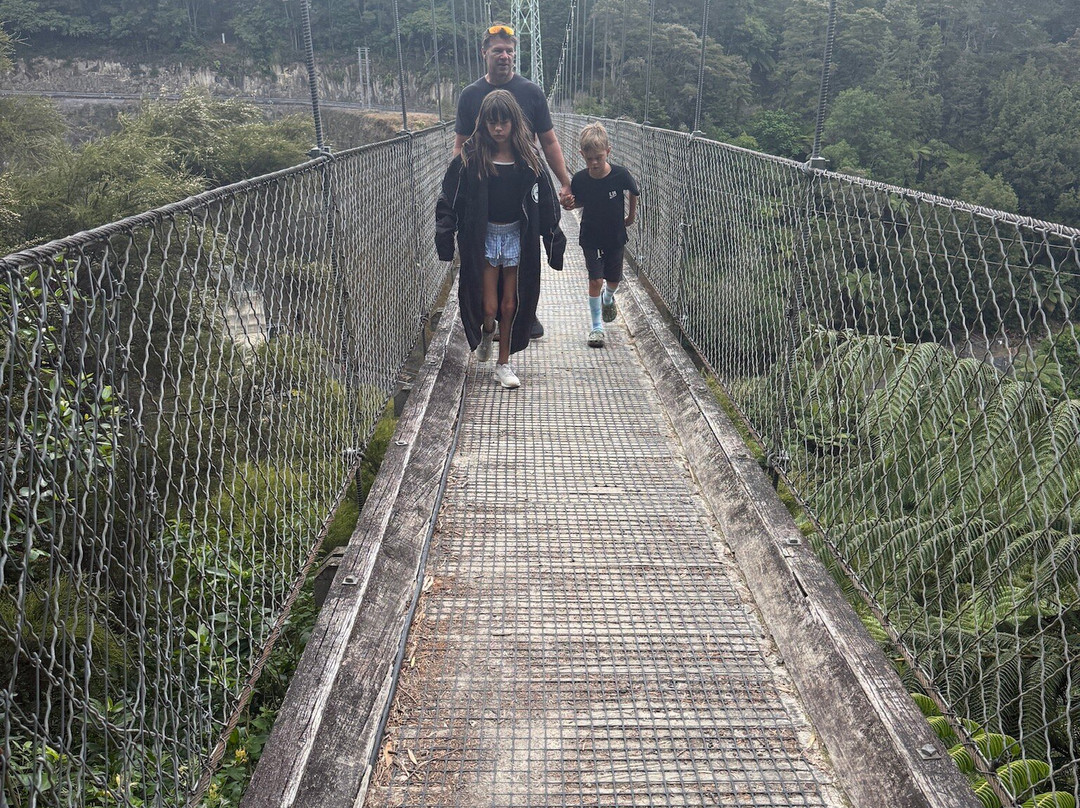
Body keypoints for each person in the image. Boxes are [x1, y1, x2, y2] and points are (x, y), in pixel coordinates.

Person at [436, 90, 565, 388]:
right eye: (492, 122)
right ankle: (486, 332)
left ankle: (503, 364)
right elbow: (449, 199)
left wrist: (553, 243)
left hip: (517, 237)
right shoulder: (471, 158)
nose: (497, 128)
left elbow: (547, 202)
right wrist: (445, 237)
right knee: (489, 308)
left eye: (503, 122)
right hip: (484, 237)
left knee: (510, 305)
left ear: (513, 122)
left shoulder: (529, 160)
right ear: (483, 123)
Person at [454, 22, 573, 340]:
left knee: (524, 256)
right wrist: (454, 191)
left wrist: (565, 182)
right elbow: (460, 146)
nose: (504, 56)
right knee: (484, 256)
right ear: (484, 53)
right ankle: (488, 318)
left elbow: (549, 141)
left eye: (509, 51)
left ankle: (523, 316)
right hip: (482, 190)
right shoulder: (470, 95)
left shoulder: (531, 93)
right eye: (497, 50)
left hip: (522, 191)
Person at [565, 122, 639, 348]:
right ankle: (597, 328)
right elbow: (579, 201)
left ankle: (608, 298)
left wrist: (631, 216)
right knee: (595, 279)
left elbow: (634, 191)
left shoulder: (620, 174)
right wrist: (569, 204)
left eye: (599, 157)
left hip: (615, 236)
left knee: (613, 280)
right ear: (582, 155)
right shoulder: (580, 179)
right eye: (589, 159)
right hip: (590, 236)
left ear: (608, 151)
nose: (595, 163)